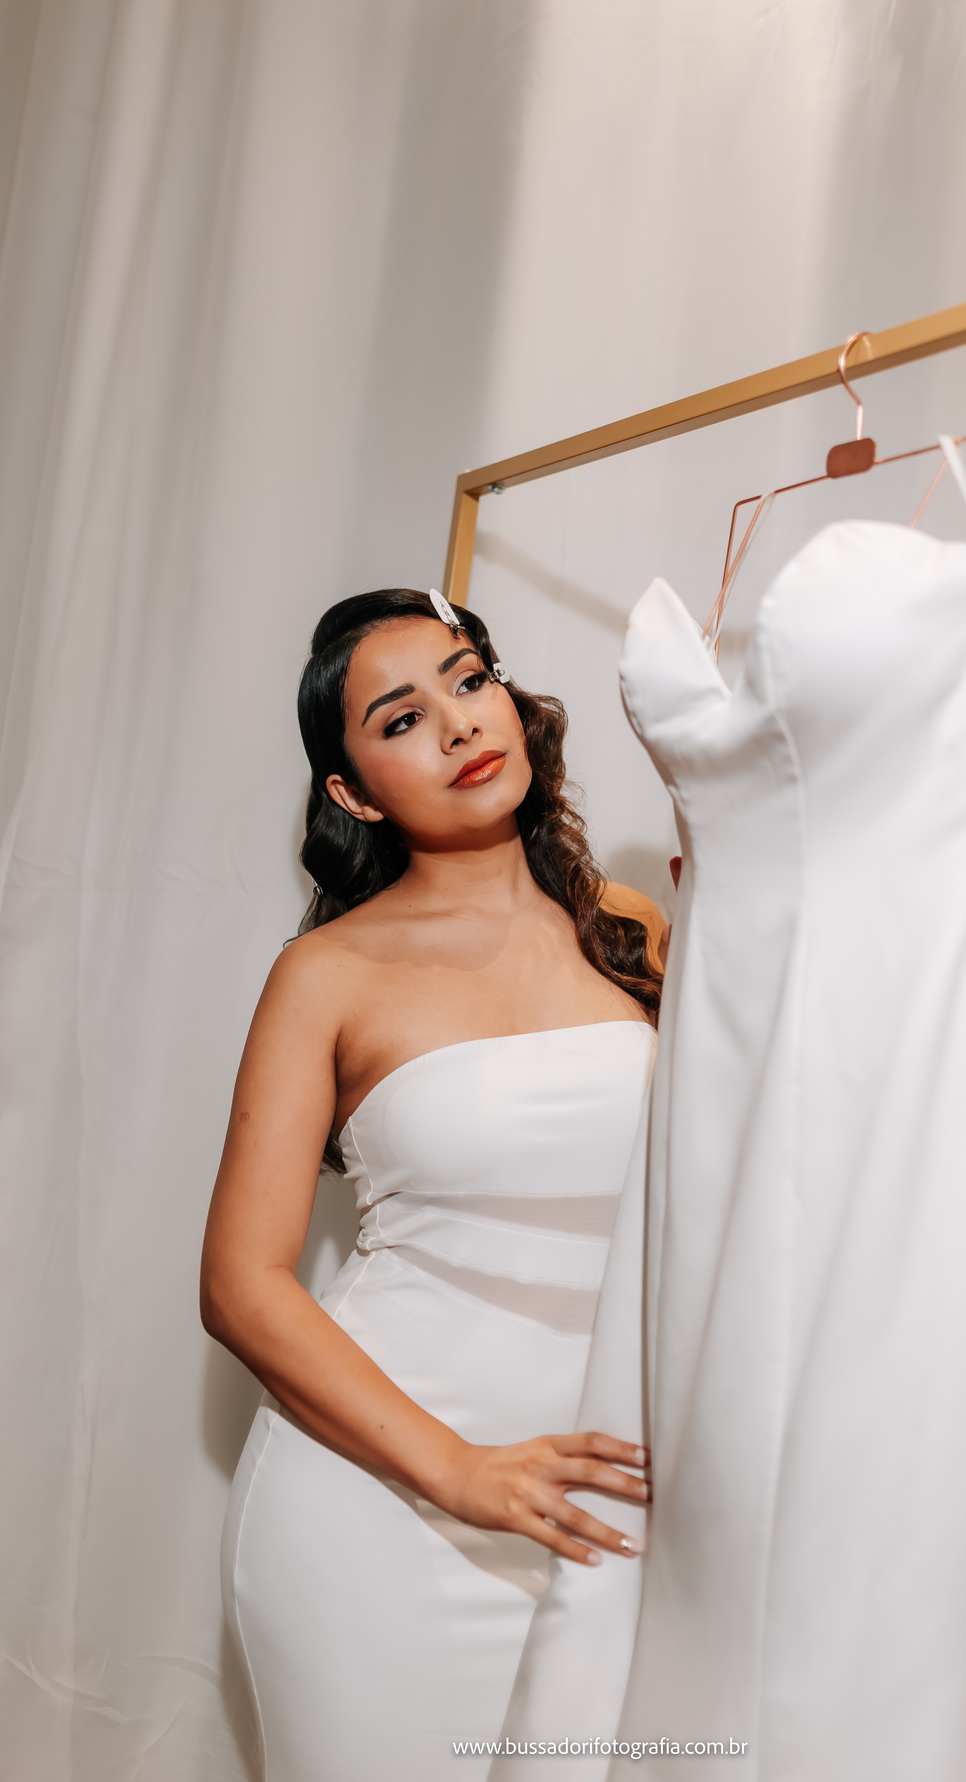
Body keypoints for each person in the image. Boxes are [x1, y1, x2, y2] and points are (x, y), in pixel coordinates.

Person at [200, 588, 665, 1781]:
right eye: (402, 719)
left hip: (596, 1514)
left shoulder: (631, 931)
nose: (458, 724)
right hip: (380, 1512)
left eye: (468, 680)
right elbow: (243, 1286)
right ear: (353, 792)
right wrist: (461, 1470)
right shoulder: (325, 973)